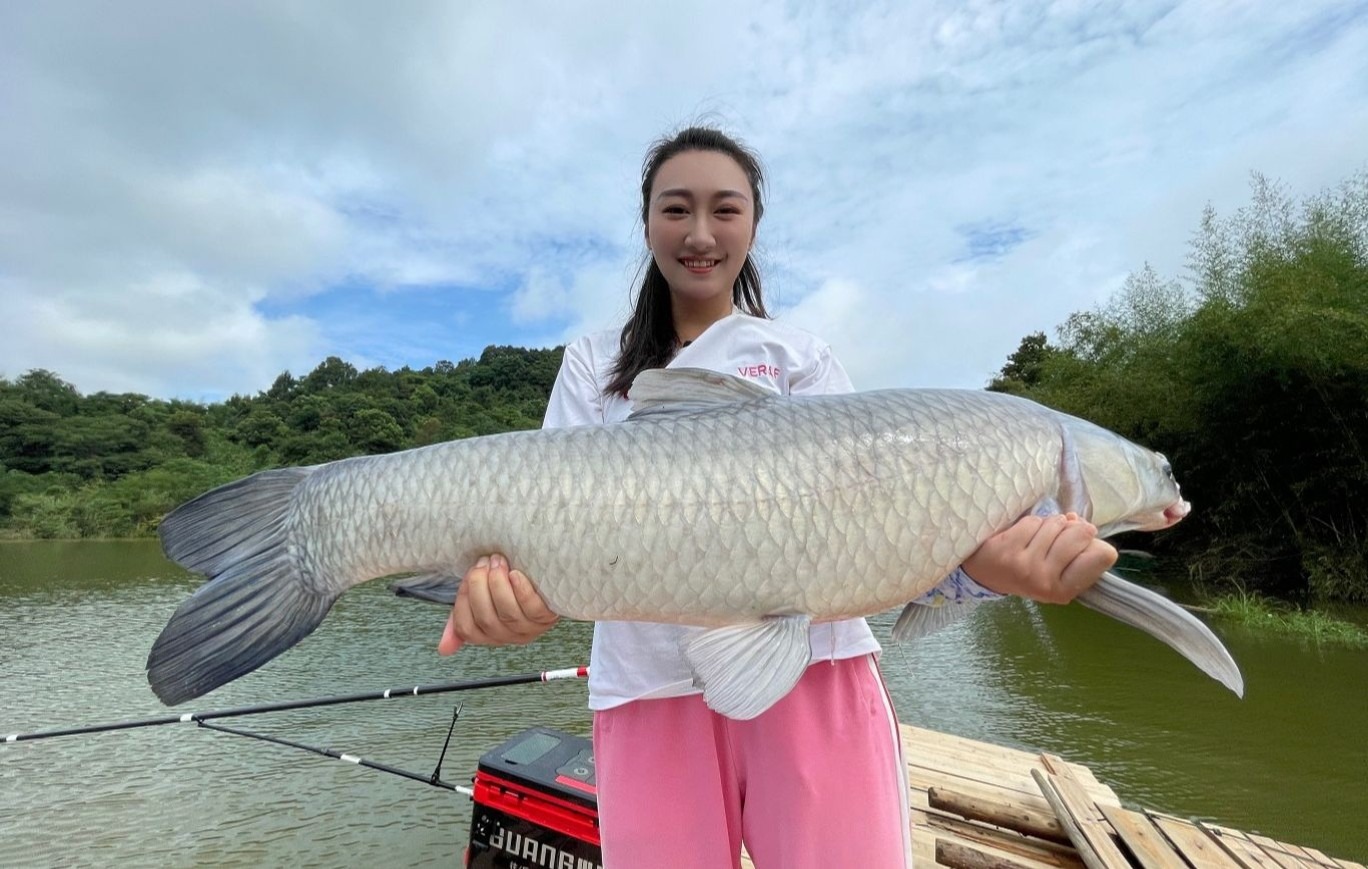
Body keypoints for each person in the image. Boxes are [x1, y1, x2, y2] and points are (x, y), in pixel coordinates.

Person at [437, 126, 1118, 868]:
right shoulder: (592, 363)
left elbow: (880, 531)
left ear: (754, 223)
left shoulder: (802, 359)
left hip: (816, 673)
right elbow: (543, 529)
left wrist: (986, 573)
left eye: (725, 209)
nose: (701, 233)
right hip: (643, 692)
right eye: (677, 209)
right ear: (646, 224)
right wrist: (512, 603)